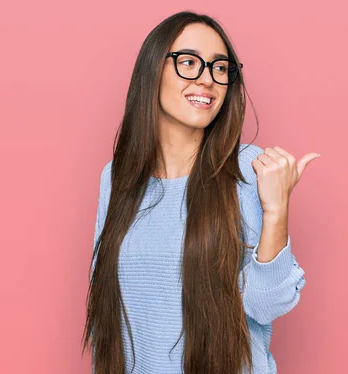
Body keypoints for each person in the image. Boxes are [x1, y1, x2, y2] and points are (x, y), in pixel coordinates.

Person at [83, 11, 320, 374]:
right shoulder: (116, 178)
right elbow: (107, 315)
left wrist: (277, 211)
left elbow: (266, 304)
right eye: (189, 62)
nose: (207, 80)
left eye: (220, 68)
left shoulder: (246, 169)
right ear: (152, 71)